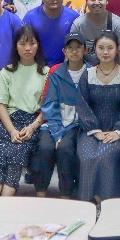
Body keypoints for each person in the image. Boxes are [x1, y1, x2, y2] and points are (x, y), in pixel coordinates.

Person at [0, 25, 49, 197]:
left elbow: (47, 107)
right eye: (22, 44)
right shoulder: (6, 72)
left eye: (32, 43)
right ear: (15, 46)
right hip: (8, 122)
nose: (27, 48)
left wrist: (32, 127)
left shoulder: (45, 72)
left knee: (15, 154)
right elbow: (1, 105)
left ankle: (4, 203)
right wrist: (12, 130)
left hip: (31, 123)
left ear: (38, 45)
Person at [77, 31, 120, 201]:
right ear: (94, 49)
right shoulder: (87, 74)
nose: (105, 52)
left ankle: (107, 201)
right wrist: (95, 130)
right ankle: (87, 202)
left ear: (117, 49)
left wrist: (119, 131)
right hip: (91, 131)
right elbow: (82, 106)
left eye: (110, 48)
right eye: (101, 48)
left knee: (106, 157)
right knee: (88, 158)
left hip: (117, 130)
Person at [31, 33, 88, 198]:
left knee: (65, 148)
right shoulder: (56, 71)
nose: (74, 51)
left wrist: (61, 138)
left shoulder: (92, 71)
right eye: (70, 48)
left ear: (85, 50)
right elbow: (50, 104)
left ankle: (66, 194)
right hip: (53, 122)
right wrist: (57, 133)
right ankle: (40, 193)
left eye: (78, 47)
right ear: (64, 51)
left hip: (77, 124)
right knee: (44, 147)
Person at [20, 0, 80, 66]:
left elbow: (79, 45)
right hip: (37, 67)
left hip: (65, 67)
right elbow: (22, 43)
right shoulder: (30, 17)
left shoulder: (74, 17)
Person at [69, 0, 120, 65]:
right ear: (86, 1)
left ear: (107, 0)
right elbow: (72, 50)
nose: (96, 3)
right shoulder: (78, 24)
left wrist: (111, 69)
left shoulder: (117, 24)